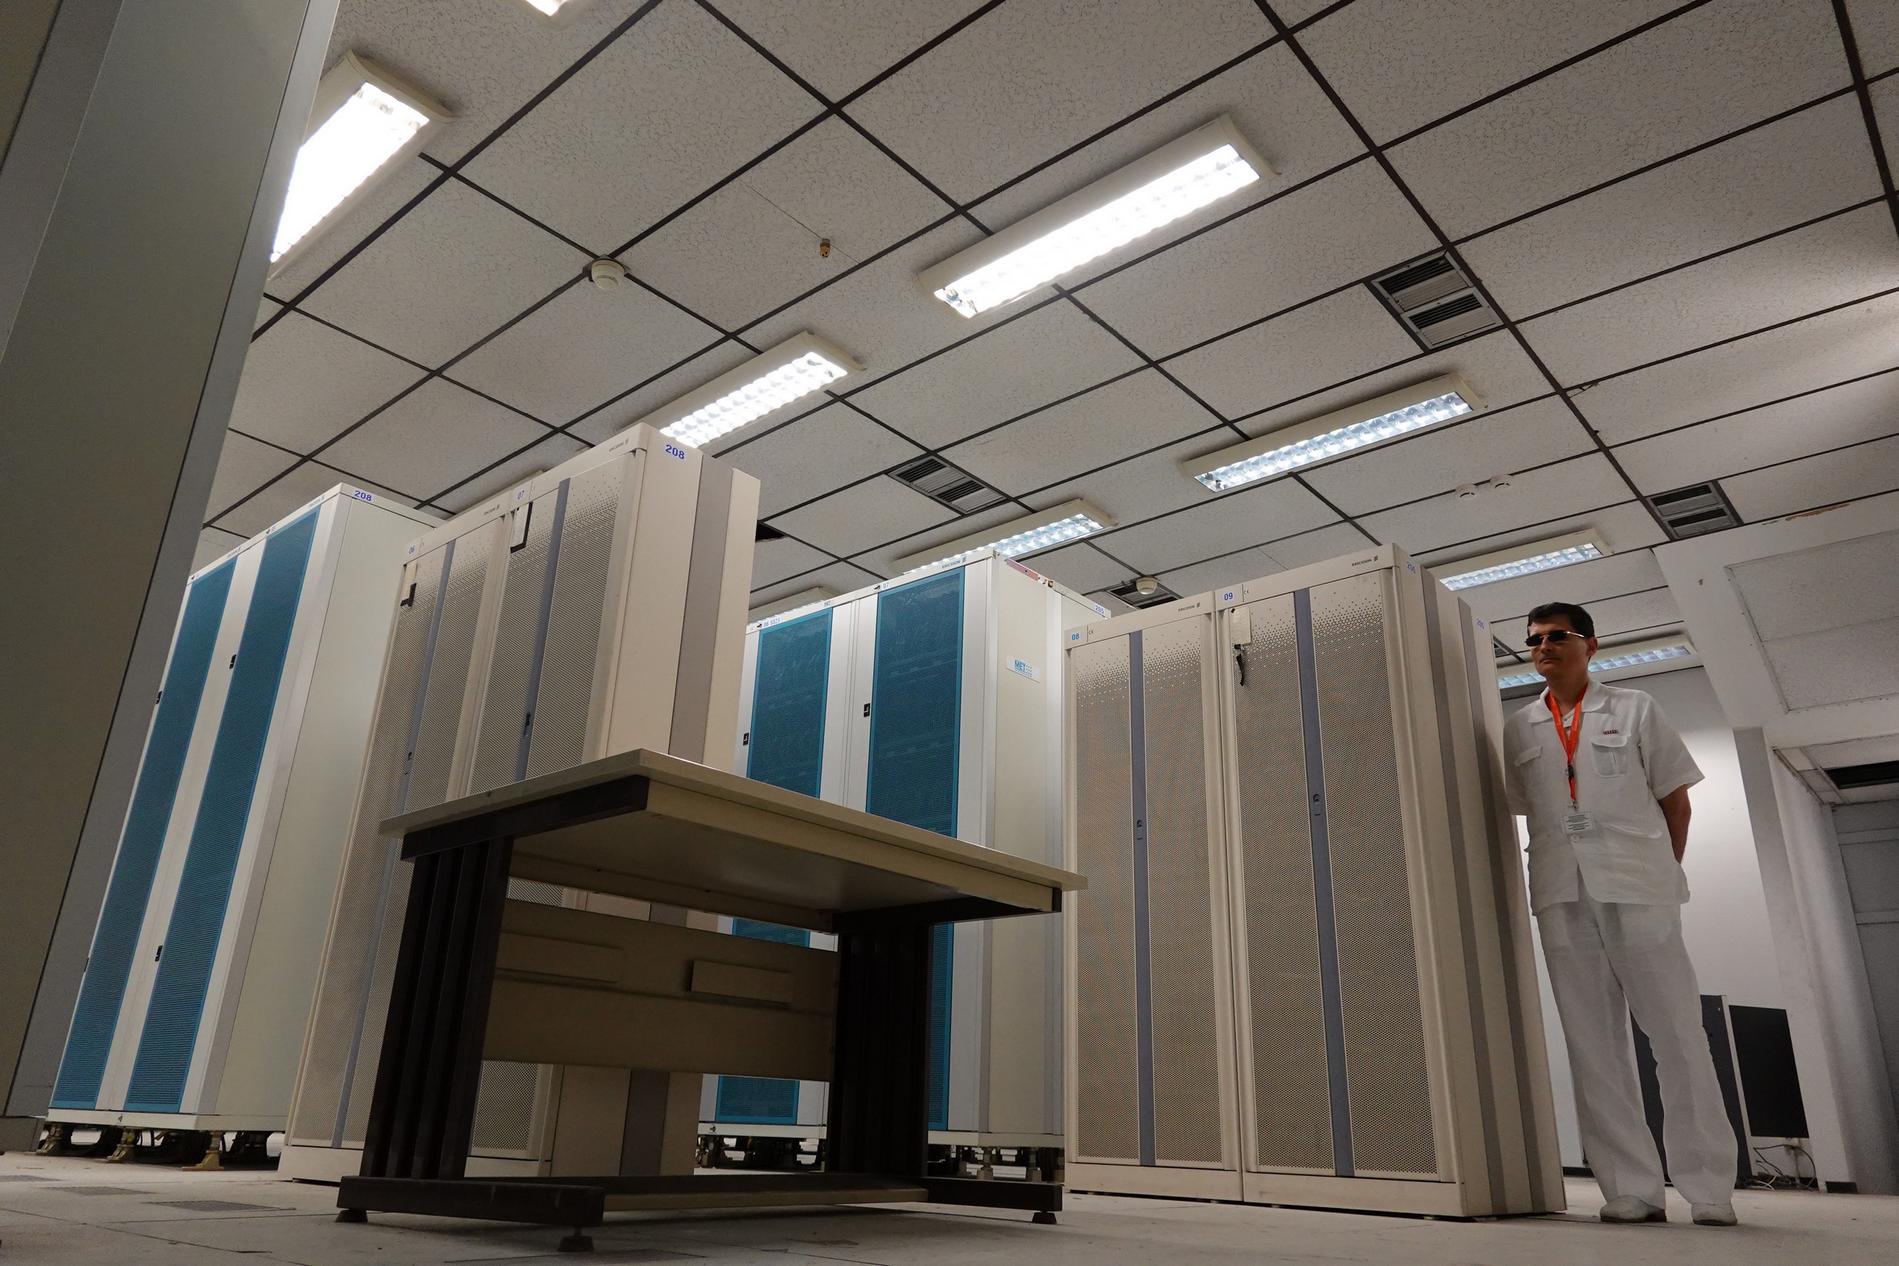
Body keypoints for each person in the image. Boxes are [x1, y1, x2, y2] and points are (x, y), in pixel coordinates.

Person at [1501, 600, 1738, 1227]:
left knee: (1677, 1032)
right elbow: (1532, 809)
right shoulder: (1520, 727)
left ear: (1590, 645)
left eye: (1557, 636)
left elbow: (1676, 802)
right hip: (1561, 892)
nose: (1544, 647)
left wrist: (1663, 871)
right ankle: (1631, 1187)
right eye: (1534, 639)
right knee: (1592, 1043)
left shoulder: (1635, 708)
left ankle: (1709, 1187)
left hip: (1639, 887)